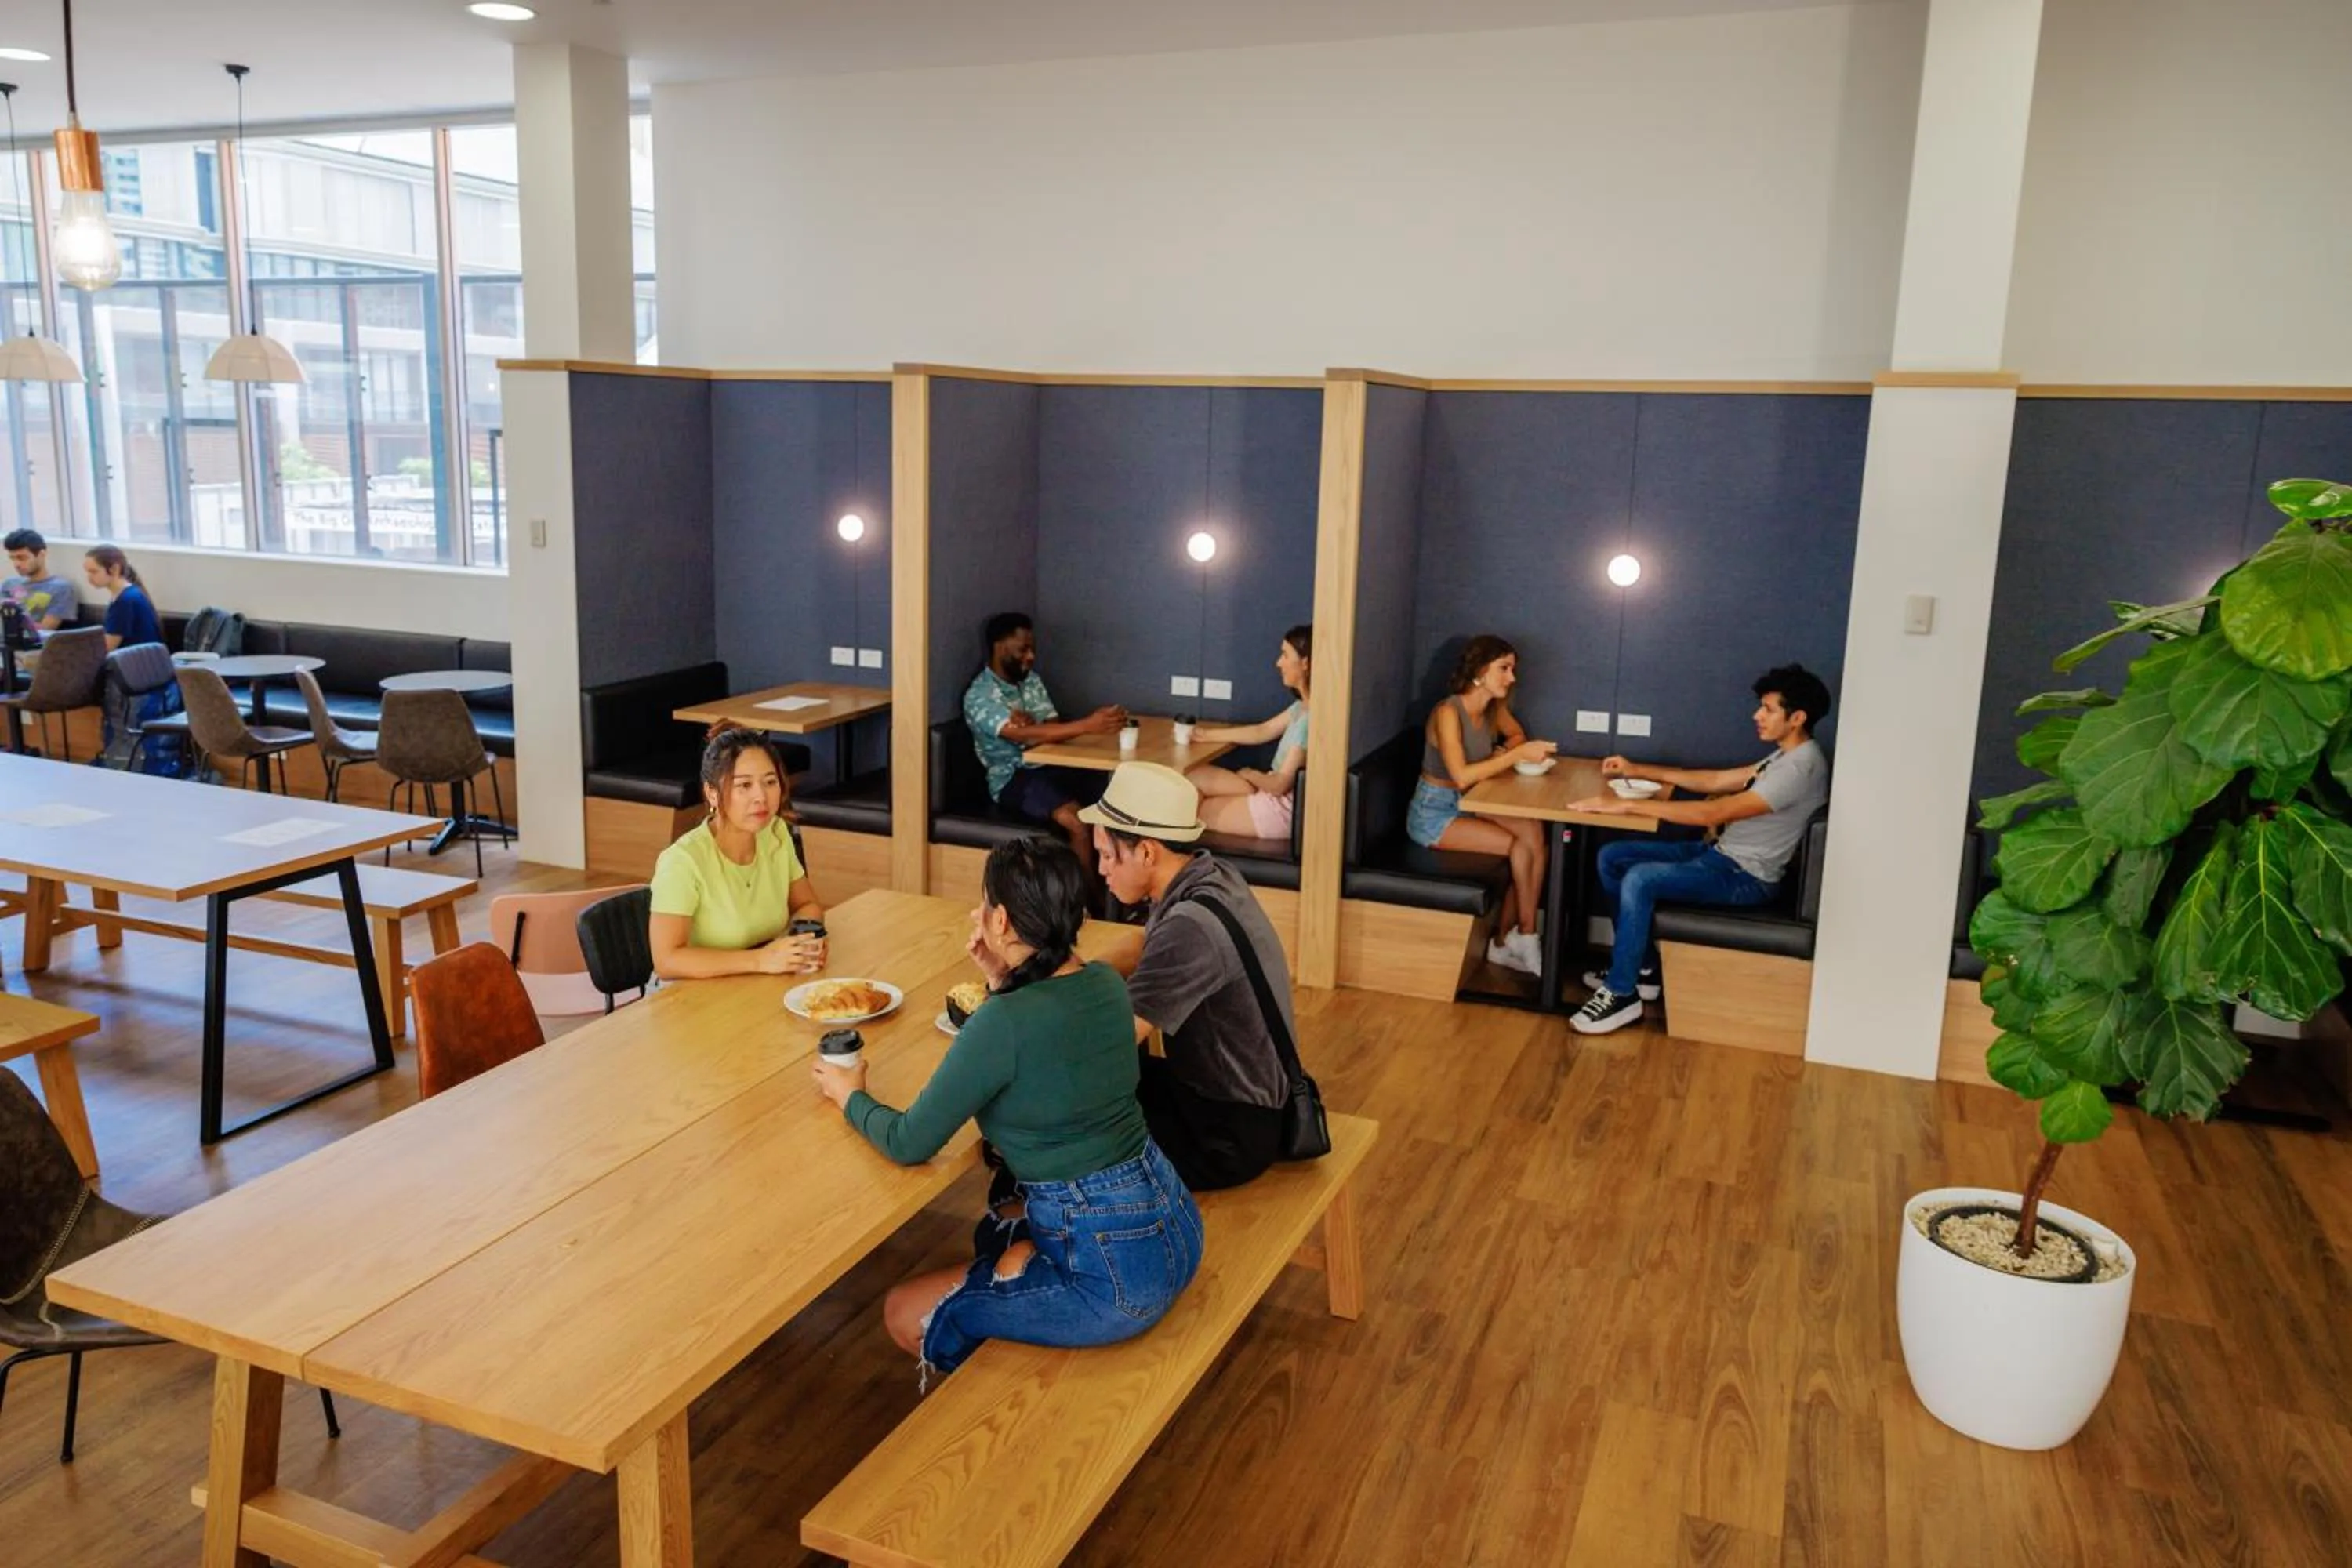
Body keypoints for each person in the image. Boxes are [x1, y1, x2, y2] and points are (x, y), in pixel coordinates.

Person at [814, 837, 1204, 1381]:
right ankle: (1022, 1297)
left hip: (1114, 1279)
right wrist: (1001, 982)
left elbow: (909, 1142)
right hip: (1177, 1226)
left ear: (999, 920)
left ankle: (1012, 1405)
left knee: (905, 1312)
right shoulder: (1104, 985)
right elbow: (1049, 1050)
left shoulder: (1003, 1024)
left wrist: (848, 1092)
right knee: (999, 1233)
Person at [1564, 663, 1834, 1035]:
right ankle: (1641, 970)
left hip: (1747, 877)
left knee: (1641, 878)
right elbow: (1717, 780)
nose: (1757, 715)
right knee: (1613, 856)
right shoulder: (1785, 756)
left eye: (1768, 709)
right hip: (1721, 856)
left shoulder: (1800, 768)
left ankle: (1622, 994)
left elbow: (1716, 810)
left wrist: (1626, 805)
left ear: (1797, 717)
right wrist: (1637, 769)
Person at [1083, 762, 1291, 1190]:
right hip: (1248, 1099)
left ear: (1146, 852)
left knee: (1059, 1128)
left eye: (1107, 855)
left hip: (1227, 1134)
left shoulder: (1191, 927)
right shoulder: (1208, 875)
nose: (1102, 870)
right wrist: (1074, 976)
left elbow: (1111, 1040)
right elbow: (1146, 946)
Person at [1407, 635, 1556, 976]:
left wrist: (1502, 752)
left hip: (1473, 800)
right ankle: (1519, 937)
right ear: (1479, 671)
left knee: (1536, 833)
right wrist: (1513, 757)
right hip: (1435, 811)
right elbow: (1460, 776)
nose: (1512, 678)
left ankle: (1515, 938)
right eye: (1504, 669)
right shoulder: (1449, 712)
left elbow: (1516, 736)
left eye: (1512, 669)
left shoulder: (1493, 707)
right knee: (1522, 846)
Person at [649, 725, 829, 979]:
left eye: (770, 782)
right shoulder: (682, 861)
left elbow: (807, 905)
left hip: (756, 983)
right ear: (711, 793)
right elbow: (667, 961)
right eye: (744, 785)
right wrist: (761, 959)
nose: (761, 797)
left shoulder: (775, 834)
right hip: (689, 998)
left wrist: (803, 942)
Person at [963, 611, 1124, 865]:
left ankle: (1115, 891)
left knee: (1116, 798)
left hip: (1050, 765)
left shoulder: (1030, 681)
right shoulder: (980, 695)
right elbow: (1018, 734)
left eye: (1032, 649)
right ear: (999, 647)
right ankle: (1086, 901)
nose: (1031, 657)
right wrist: (1087, 725)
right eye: (1023, 650)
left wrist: (1033, 730)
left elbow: (1051, 724)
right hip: (1012, 778)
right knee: (1076, 821)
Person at [1185, 624, 1312, 840]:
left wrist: (1251, 775)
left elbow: (1281, 784)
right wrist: (1206, 735)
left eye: (1285, 655)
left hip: (1280, 809)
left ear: (1306, 663)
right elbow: (1262, 731)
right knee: (1192, 776)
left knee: (1192, 810)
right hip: (1267, 789)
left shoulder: (1312, 722)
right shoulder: (1302, 707)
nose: (1278, 663)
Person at [82, 545, 160, 652]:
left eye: (94, 572)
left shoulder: (124, 601)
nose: (89, 578)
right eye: (87, 572)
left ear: (114, 569)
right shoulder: (131, 594)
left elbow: (107, 647)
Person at [3, 529, 77, 641]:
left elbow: (45, 630)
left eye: (22, 558)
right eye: (13, 558)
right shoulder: (9, 584)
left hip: (31, 646)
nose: (16, 564)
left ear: (41, 555)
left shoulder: (60, 588)